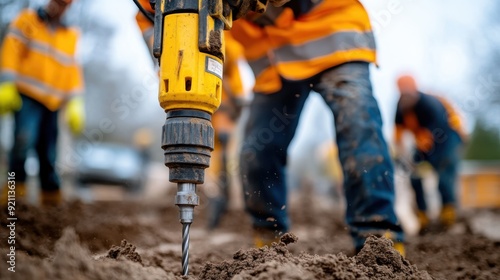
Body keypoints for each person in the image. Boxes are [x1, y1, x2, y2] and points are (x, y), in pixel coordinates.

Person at [230, 0, 405, 254]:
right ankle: (269, 238)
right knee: (257, 149)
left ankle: (377, 239)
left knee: (359, 127)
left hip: (333, 35)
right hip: (273, 58)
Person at [134, 0, 250, 228]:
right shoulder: (152, 11)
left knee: (223, 157)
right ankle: (213, 198)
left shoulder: (229, 41)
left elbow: (236, 81)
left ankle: (222, 202)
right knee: (212, 163)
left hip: (220, 107)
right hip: (192, 95)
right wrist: (164, 52)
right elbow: (143, 20)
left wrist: (231, 112)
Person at [0, 0, 85, 206]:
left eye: (64, 4)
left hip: (53, 103)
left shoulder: (70, 34)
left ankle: (51, 200)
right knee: (23, 142)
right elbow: (11, 49)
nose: (60, 6)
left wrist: (75, 101)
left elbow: (72, 70)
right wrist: (7, 83)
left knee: (49, 153)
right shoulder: (28, 20)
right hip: (27, 95)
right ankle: (12, 199)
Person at [394, 75, 466, 232]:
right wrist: (401, 155)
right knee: (414, 174)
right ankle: (422, 214)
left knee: (444, 171)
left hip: (448, 137)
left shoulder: (430, 103)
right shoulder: (401, 107)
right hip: (425, 141)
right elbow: (398, 134)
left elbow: (439, 130)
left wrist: (425, 148)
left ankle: (448, 213)